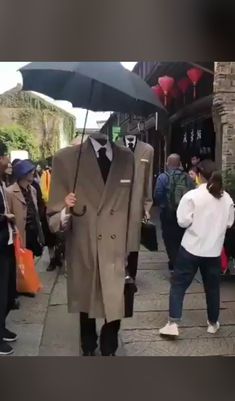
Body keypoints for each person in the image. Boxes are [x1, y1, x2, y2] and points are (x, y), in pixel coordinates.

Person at [47, 131, 135, 356]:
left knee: (116, 301)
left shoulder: (126, 157)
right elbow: (53, 218)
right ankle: (87, 345)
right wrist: (66, 208)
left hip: (116, 245)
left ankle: (109, 346)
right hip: (84, 243)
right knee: (86, 301)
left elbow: (133, 205)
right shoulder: (66, 159)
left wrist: (131, 246)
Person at [159, 160, 235, 337]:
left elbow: (183, 221)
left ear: (199, 175)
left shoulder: (192, 196)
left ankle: (173, 323)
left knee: (178, 286)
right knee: (213, 288)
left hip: (191, 249)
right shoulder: (227, 198)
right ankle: (213, 323)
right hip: (214, 250)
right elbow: (230, 222)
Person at [116, 133, 154, 282]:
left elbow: (148, 180)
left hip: (136, 202)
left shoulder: (147, 150)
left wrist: (146, 206)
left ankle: (131, 272)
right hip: (117, 201)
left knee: (133, 237)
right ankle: (118, 270)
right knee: (116, 237)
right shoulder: (114, 147)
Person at [154, 154, 194, 274]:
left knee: (169, 239)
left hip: (168, 214)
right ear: (179, 163)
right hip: (184, 214)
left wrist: (164, 205)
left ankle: (174, 264)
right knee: (182, 239)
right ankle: (182, 263)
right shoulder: (187, 177)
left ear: (167, 163)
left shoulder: (162, 177)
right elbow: (193, 195)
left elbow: (157, 195)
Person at [0, 141, 18, 355]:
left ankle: (2, 326)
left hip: (6, 242)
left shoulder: (3, 182)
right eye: (5, 156)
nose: (7, 161)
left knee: (7, 290)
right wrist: (5, 216)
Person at [7, 160, 44, 257]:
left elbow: (35, 211)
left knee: (30, 260)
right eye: (30, 171)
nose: (33, 173)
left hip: (33, 233)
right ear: (23, 174)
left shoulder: (33, 190)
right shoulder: (10, 192)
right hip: (20, 235)